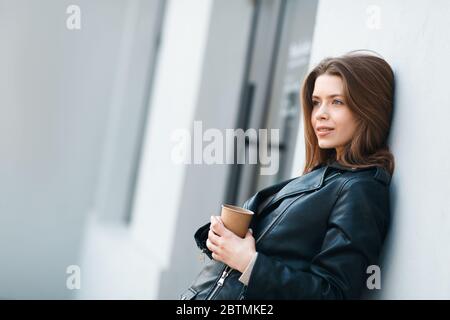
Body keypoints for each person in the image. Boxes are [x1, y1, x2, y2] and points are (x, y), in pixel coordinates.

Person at [181, 50, 395, 300]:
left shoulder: (362, 189)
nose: (320, 114)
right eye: (316, 102)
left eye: (337, 101)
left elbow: (334, 294)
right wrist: (222, 240)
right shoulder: (324, 174)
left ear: (368, 109)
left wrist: (248, 261)